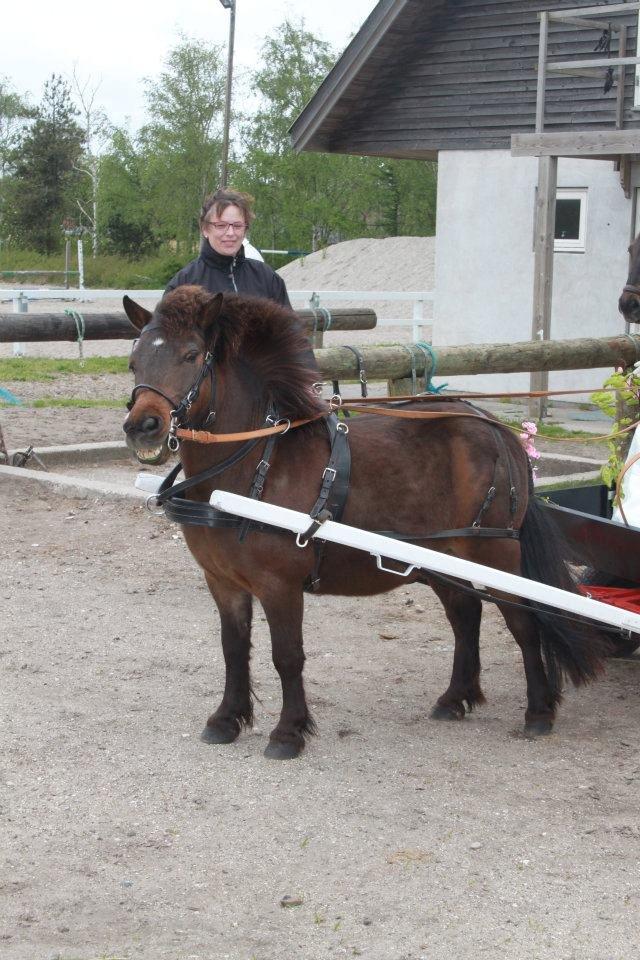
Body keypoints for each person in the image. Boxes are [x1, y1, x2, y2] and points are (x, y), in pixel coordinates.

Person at [165, 188, 291, 307]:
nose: (231, 233)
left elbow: (289, 328)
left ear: (245, 229)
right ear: (205, 229)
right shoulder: (183, 284)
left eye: (237, 226)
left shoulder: (267, 278)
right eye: (221, 225)